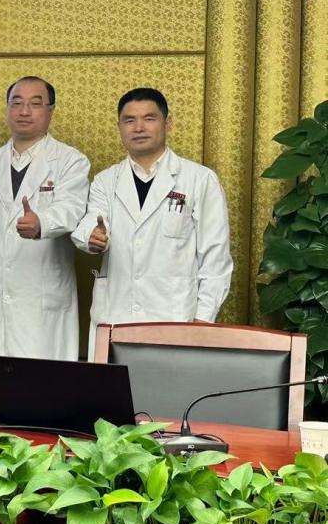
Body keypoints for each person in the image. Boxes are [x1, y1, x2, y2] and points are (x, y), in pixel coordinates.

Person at [71, 87, 232, 355]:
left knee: (168, 383)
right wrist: (92, 237)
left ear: (168, 124)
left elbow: (216, 258)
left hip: (174, 316)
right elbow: (89, 224)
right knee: (114, 383)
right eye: (129, 120)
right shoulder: (105, 181)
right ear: (119, 127)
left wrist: (203, 319)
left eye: (149, 118)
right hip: (115, 315)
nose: (138, 128)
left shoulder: (199, 179)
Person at [0, 77, 90, 406]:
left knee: (44, 397)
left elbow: (72, 210)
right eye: (16, 103)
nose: (24, 111)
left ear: (50, 111)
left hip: (41, 299)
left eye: (35, 103)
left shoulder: (70, 161)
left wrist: (42, 222)